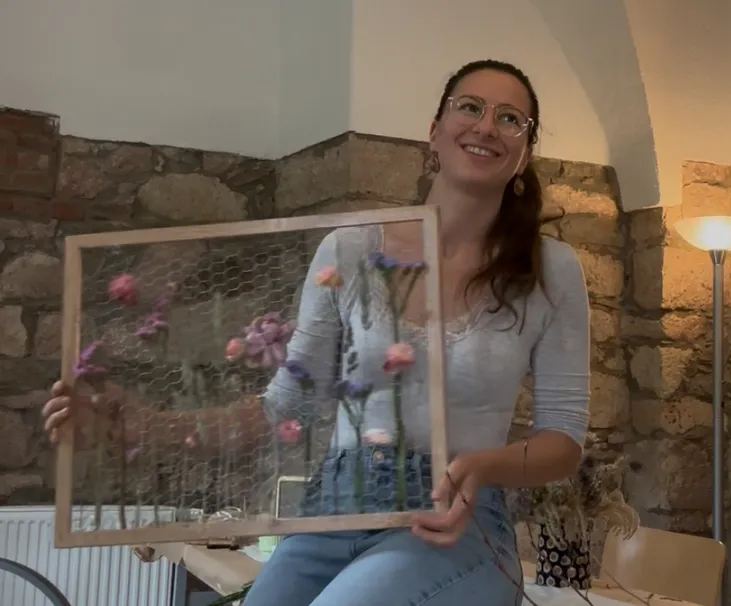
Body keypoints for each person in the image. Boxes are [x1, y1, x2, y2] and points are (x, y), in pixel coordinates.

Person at [42, 59, 591, 606]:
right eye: (470, 107)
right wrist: (134, 424)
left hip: (457, 522)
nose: (486, 125)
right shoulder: (350, 249)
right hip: (336, 504)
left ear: (525, 153)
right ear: (434, 131)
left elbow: (562, 442)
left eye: (510, 118)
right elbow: (285, 407)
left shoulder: (552, 270)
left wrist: (480, 466)